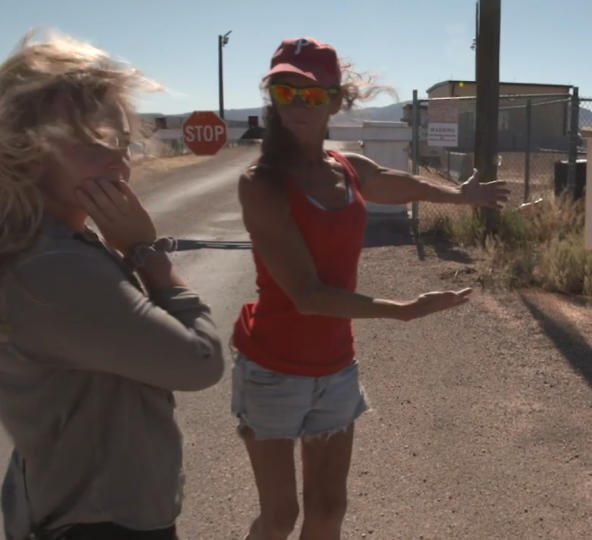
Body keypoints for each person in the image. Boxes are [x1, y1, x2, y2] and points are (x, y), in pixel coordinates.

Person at [232, 37, 509, 540]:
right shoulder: (262, 183)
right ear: (270, 97)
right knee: (279, 516)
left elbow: (396, 183)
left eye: (312, 96)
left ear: (336, 102)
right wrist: (402, 310)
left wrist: (460, 196)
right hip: (272, 368)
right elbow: (308, 296)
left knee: (328, 509)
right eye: (284, 92)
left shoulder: (346, 168)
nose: (297, 106)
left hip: (335, 366)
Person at [0, 32, 225, 539]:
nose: (118, 162)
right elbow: (200, 361)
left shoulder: (42, 240)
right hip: (101, 522)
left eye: (120, 142)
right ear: (25, 149)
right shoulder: (54, 265)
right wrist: (147, 254)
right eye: (91, 141)